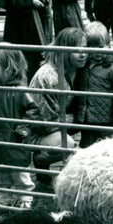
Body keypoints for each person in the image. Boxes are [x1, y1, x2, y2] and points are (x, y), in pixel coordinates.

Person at [0, 48, 41, 213]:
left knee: (19, 174)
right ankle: (3, 201)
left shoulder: (21, 92)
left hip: (14, 140)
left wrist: (21, 131)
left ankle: (25, 200)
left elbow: (33, 112)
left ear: (10, 67)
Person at [28, 27, 88, 204]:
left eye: (85, 48)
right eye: (76, 50)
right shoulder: (50, 76)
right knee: (67, 144)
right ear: (64, 49)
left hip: (53, 120)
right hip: (36, 129)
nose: (83, 54)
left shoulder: (68, 68)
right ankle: (40, 158)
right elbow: (44, 119)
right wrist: (74, 120)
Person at [74, 21, 113, 148]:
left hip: (107, 118)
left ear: (108, 45)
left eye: (101, 47)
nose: (97, 51)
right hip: (87, 116)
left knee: (107, 146)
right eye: (92, 48)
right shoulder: (84, 64)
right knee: (87, 145)